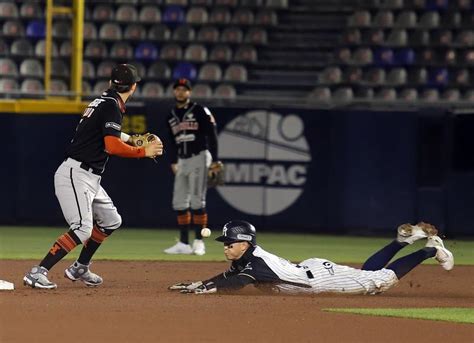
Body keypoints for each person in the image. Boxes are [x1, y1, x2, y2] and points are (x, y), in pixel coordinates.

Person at [23, 64, 163, 289]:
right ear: (134, 87)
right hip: (76, 173)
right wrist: (142, 151)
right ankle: (38, 272)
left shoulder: (105, 101)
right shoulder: (111, 106)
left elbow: (107, 133)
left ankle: (80, 267)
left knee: (111, 221)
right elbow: (111, 146)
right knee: (82, 228)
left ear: (110, 83)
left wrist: (131, 139)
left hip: (89, 176)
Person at [169, 220, 454, 294]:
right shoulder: (247, 258)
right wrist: (200, 284)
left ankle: (432, 249)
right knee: (365, 275)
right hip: (309, 269)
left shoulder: (255, 263)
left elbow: (235, 284)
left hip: (320, 279)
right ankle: (400, 241)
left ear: (244, 243)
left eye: (230, 242)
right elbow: (227, 277)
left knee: (381, 281)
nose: (225, 246)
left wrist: (207, 290)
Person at [163, 78, 219, 256]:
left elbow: (212, 134)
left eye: (184, 89)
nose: (180, 92)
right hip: (182, 160)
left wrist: (216, 160)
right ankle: (184, 243)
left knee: (197, 201)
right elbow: (172, 142)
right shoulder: (171, 115)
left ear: (189, 92)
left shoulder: (200, 110)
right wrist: (173, 161)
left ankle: (199, 242)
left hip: (199, 156)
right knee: (179, 202)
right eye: (177, 89)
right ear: (174, 92)